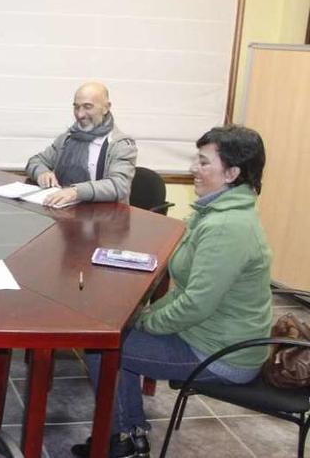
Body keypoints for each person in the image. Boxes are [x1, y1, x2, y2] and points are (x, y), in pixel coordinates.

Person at [71, 126, 273, 457]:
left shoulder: (226, 227)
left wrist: (146, 320)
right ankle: (130, 434)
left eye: (204, 163)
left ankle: (123, 441)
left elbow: (195, 304)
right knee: (118, 333)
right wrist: (143, 317)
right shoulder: (217, 211)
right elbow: (191, 295)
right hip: (208, 336)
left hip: (220, 353)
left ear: (232, 173)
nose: (194, 168)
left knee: (103, 347)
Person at [25, 82, 137, 207]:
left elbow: (119, 185)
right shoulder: (68, 138)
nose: (80, 114)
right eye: (76, 107)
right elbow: (35, 161)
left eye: (87, 107)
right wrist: (42, 173)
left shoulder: (121, 145)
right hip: (65, 211)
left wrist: (76, 191)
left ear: (106, 108)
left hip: (104, 219)